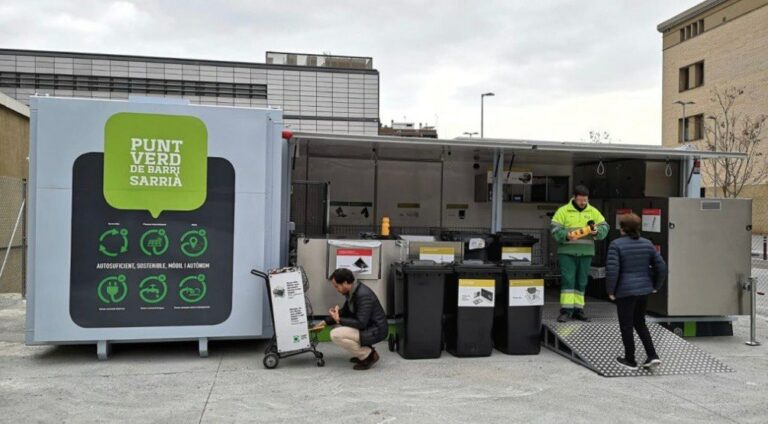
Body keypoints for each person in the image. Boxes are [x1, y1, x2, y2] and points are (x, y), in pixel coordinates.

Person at [606, 213, 668, 370]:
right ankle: (652, 355)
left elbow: (613, 270)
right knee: (640, 324)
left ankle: (630, 360)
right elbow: (661, 267)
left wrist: (610, 290)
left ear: (622, 228)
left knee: (626, 326)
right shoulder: (647, 244)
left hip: (625, 292)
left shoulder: (616, 244)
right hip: (643, 291)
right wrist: (656, 286)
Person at [550, 185, 609, 322]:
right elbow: (554, 229)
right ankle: (566, 311)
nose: (583, 203)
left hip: (585, 252)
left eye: (585, 200)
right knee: (568, 280)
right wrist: (566, 235)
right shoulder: (563, 211)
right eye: (580, 200)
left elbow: (605, 227)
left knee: (582, 282)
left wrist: (596, 232)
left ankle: (578, 310)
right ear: (574, 197)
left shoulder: (593, 211)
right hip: (567, 252)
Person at [312, 268, 387, 370]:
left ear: (345, 283)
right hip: (369, 327)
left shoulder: (363, 295)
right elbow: (345, 311)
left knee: (335, 334)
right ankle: (365, 351)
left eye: (337, 286)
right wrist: (325, 321)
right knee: (336, 326)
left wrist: (339, 320)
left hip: (376, 330)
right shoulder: (354, 291)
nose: (336, 289)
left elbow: (361, 323)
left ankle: (368, 355)